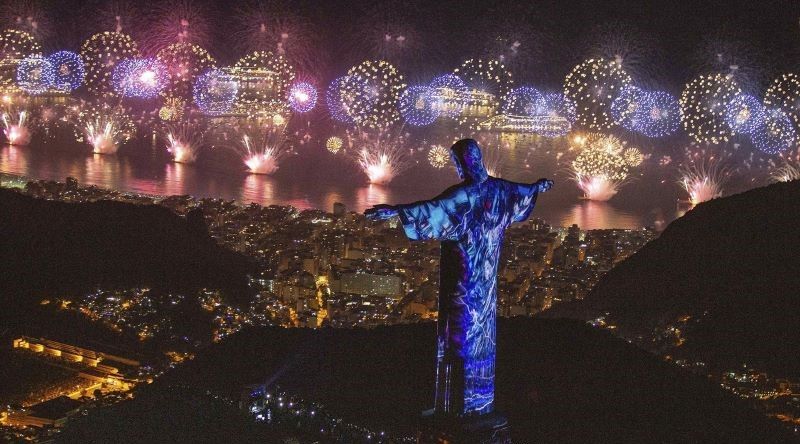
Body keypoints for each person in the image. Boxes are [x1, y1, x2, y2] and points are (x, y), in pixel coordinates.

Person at [365, 138, 552, 417]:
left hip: (463, 278)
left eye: (456, 162)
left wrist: (395, 211)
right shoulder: (501, 190)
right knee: (482, 334)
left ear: (464, 161)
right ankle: (480, 402)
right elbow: (523, 193)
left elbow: (431, 210)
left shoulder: (462, 196)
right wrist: (538, 187)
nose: (456, 167)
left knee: (458, 334)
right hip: (487, 280)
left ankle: (458, 407)